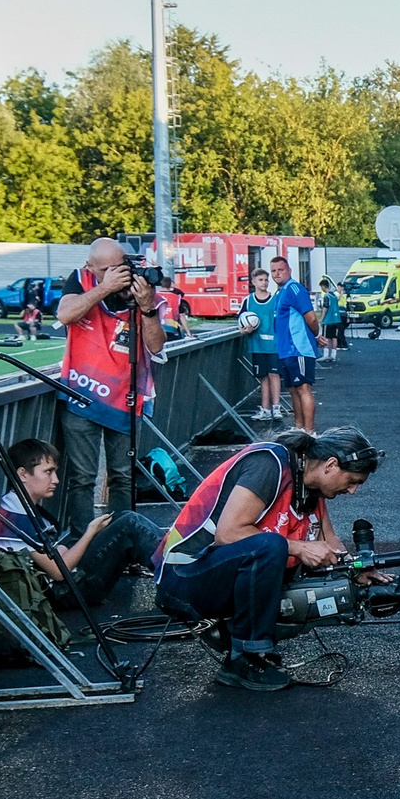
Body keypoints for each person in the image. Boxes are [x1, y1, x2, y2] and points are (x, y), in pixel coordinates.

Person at [153, 426, 376, 690]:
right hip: (184, 575)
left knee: (294, 563)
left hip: (216, 573)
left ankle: (237, 639)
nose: (352, 492)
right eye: (352, 481)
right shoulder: (269, 465)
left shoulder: (310, 487)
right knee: (272, 547)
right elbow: (228, 533)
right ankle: (243, 660)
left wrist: (358, 572)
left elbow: (331, 546)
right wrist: (298, 547)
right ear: (330, 465)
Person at [55, 236, 168, 533]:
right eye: (105, 269)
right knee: (82, 477)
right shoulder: (80, 280)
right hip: (81, 394)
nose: (116, 274)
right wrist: (104, 287)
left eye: (119, 267)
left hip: (126, 398)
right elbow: (65, 314)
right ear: (90, 267)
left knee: (123, 476)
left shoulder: (140, 287)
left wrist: (147, 308)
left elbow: (156, 348)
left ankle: (123, 542)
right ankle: (83, 544)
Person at [0, 436, 166, 615]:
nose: (55, 480)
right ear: (23, 474)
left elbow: (56, 554)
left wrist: (69, 547)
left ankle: (178, 566)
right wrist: (90, 532)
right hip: (60, 594)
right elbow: (59, 572)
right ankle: (181, 573)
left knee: (125, 519)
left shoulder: (18, 505)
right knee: (129, 524)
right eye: (48, 472)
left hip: (60, 585)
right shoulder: (15, 516)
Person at [266, 256, 322, 431]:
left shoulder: (295, 289)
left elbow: (311, 317)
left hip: (298, 349)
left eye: (280, 270)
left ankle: (310, 432)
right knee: (293, 390)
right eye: (273, 271)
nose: (277, 274)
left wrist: (316, 334)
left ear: (289, 270)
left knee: (303, 388)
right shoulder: (280, 293)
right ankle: (298, 430)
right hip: (286, 350)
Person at [242, 270, 282, 419]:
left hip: (274, 345)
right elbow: (241, 322)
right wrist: (245, 330)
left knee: (274, 374)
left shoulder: (275, 300)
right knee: (263, 377)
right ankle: (265, 409)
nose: (264, 283)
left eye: (266, 280)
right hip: (257, 345)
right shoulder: (248, 301)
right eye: (260, 280)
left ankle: (276, 407)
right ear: (253, 282)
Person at [318, 277, 346, 363]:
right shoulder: (334, 295)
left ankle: (326, 355)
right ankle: (333, 355)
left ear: (323, 286)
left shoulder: (327, 296)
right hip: (336, 319)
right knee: (334, 337)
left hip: (328, 320)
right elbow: (338, 299)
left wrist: (321, 319)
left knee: (325, 337)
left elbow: (325, 308)